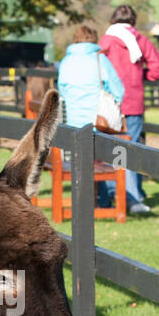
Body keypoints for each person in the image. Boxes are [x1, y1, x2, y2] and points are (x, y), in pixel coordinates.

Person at [100, 4, 159, 215]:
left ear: (113, 19)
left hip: (111, 104)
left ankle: (112, 194)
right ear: (133, 20)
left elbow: (98, 65)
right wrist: (140, 76)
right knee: (131, 150)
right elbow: (158, 68)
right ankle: (133, 197)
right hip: (133, 102)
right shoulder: (139, 39)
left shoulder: (106, 40)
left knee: (110, 150)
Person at [57, 25, 125, 209]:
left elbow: (61, 89)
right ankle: (105, 201)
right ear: (94, 39)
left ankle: (86, 201)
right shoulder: (99, 60)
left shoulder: (66, 62)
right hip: (97, 122)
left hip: (74, 124)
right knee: (104, 159)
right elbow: (117, 89)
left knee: (83, 162)